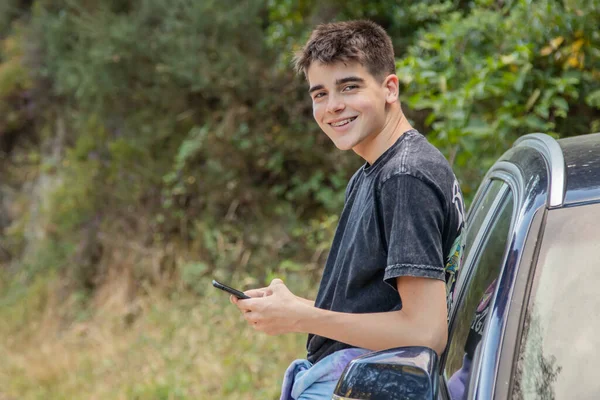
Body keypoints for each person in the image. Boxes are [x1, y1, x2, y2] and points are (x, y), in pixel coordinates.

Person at [232, 20, 466, 399]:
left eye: (349, 87)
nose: (333, 106)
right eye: (320, 93)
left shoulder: (405, 177)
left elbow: (426, 333)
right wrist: (292, 307)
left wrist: (302, 317)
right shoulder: (374, 173)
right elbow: (379, 311)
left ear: (390, 88)